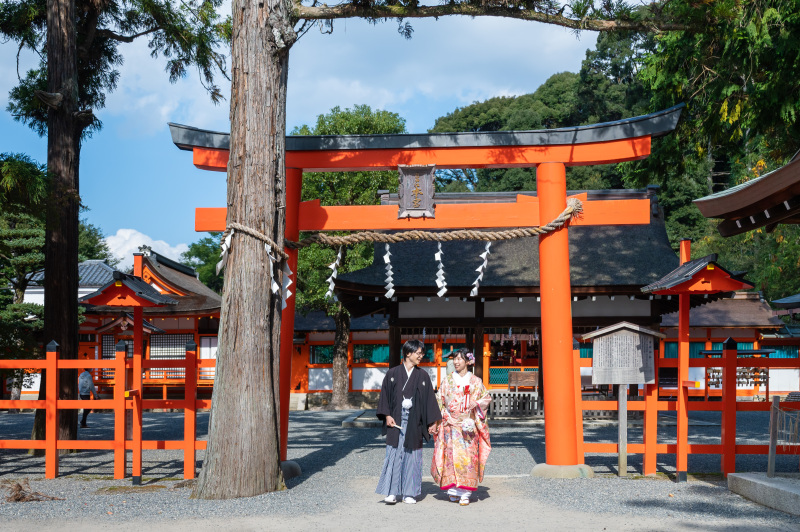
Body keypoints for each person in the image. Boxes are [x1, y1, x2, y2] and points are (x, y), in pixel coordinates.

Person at [376, 339, 442, 505]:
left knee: (412, 457)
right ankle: (391, 492)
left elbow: (429, 401)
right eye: (418, 353)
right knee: (393, 455)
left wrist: (432, 422)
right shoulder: (392, 374)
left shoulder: (423, 376)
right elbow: (384, 397)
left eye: (422, 353)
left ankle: (409, 492)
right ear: (408, 353)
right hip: (395, 421)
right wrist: (387, 416)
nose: (421, 356)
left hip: (414, 423)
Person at [431, 348, 492, 506]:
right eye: (454, 359)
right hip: (450, 425)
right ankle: (452, 490)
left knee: (467, 459)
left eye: (459, 359)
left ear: (468, 361)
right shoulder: (447, 381)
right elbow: (439, 400)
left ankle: (465, 492)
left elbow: (486, 398)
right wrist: (446, 416)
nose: (456, 362)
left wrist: (477, 403)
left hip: (468, 426)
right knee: (450, 458)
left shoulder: (476, 381)